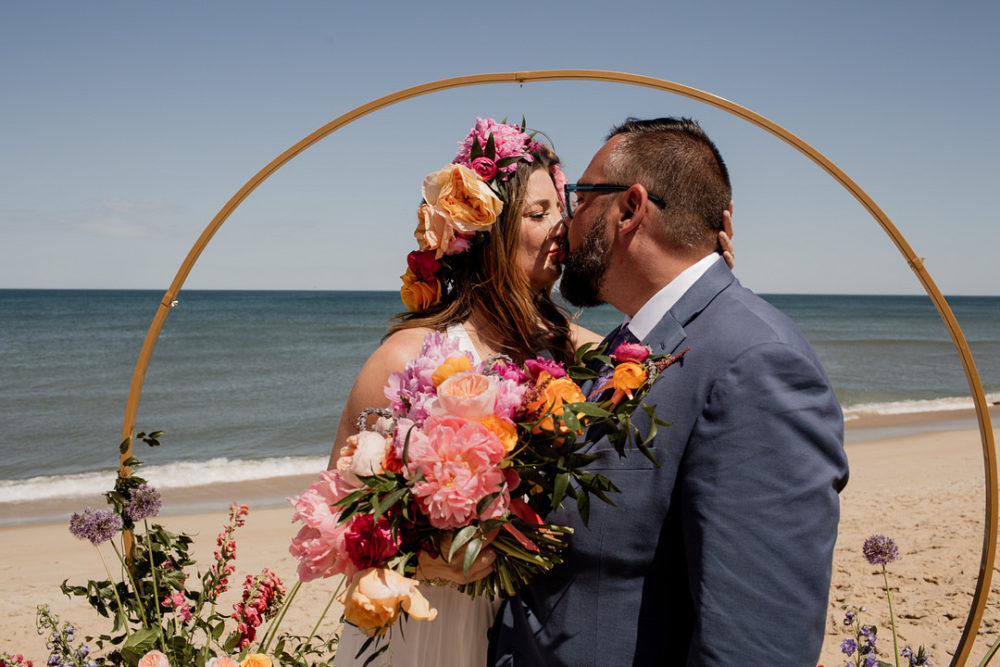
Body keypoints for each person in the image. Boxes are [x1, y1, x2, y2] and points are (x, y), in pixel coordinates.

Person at [489, 118, 850, 666]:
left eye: (580, 198)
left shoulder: (754, 363)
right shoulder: (630, 341)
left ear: (630, 209)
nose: (565, 222)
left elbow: (754, 648)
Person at [326, 118, 604, 667]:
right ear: (487, 233)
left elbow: (658, 361)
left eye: (561, 211)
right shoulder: (406, 359)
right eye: (538, 213)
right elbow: (338, 512)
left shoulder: (578, 355)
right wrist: (423, 561)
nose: (561, 228)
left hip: (542, 625)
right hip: (432, 625)